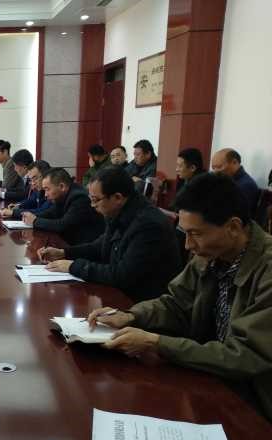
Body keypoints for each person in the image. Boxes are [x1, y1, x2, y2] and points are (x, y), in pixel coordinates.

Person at [88, 173, 272, 421]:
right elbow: (175, 303)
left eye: (195, 234)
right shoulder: (210, 255)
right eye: (185, 233)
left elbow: (244, 355)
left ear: (233, 227)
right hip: (211, 379)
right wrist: (131, 316)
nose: (188, 245)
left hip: (255, 402)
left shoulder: (266, 270)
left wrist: (157, 343)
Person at [39, 167, 182, 302]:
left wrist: (74, 266)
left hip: (139, 303)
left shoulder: (148, 225)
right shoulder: (119, 211)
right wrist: (64, 253)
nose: (92, 205)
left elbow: (122, 275)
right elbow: (100, 246)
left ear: (117, 197)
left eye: (95, 200)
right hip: (120, 293)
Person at [22, 167, 105, 245]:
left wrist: (35, 221)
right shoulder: (63, 196)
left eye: (47, 189)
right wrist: (30, 217)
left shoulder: (79, 198)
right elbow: (50, 213)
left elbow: (62, 225)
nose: (45, 195)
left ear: (62, 186)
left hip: (85, 248)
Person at [210, 148, 260, 217]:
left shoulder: (246, 185)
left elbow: (233, 214)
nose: (215, 172)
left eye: (219, 167)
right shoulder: (227, 181)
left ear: (234, 162)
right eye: (213, 168)